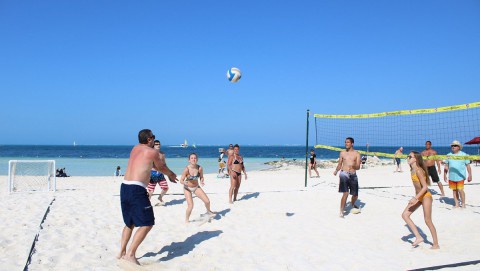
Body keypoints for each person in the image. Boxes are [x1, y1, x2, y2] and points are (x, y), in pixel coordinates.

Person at [118, 129, 177, 265]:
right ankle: (130, 254)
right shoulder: (152, 152)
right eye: (153, 137)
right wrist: (171, 174)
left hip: (124, 186)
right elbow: (161, 167)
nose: (154, 139)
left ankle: (121, 251)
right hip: (136, 189)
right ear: (149, 139)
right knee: (147, 223)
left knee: (130, 223)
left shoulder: (135, 148)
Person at [401, 151, 439, 249]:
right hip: (419, 196)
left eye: (410, 156)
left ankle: (436, 244)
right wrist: (416, 197)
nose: (408, 157)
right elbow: (417, 187)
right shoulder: (412, 170)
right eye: (407, 156)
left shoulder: (419, 170)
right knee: (405, 215)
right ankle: (418, 237)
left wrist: (415, 198)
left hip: (426, 196)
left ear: (416, 159)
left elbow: (425, 187)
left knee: (427, 220)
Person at [179, 153, 215, 223]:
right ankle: (187, 219)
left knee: (207, 201)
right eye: (192, 158)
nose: (193, 159)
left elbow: (201, 177)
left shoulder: (200, 168)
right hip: (187, 188)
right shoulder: (186, 169)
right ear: (189, 160)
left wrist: (202, 181)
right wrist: (184, 183)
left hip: (196, 187)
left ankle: (208, 211)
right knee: (191, 206)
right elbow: (181, 180)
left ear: (197, 159)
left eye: (195, 158)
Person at [333, 137, 361, 218]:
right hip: (343, 174)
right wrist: (336, 170)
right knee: (345, 193)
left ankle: (352, 203)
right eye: (345, 142)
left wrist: (354, 166)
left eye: (348, 142)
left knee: (355, 194)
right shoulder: (342, 153)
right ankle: (341, 212)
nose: (346, 144)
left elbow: (358, 167)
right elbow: (339, 164)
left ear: (352, 144)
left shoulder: (357, 154)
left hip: (353, 174)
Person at [443, 140, 472, 208]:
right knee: (454, 190)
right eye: (452, 146)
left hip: (460, 176)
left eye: (455, 145)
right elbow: (446, 166)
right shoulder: (449, 155)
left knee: (460, 189)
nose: (453, 147)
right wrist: (445, 175)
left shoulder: (464, 155)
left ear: (459, 147)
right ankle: (457, 204)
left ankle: (463, 204)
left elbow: (468, 165)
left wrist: (470, 175)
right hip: (452, 176)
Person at [147, 140, 176, 206]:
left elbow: (164, 164)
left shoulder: (162, 154)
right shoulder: (150, 154)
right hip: (153, 173)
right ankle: (147, 203)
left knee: (165, 188)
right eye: (156, 144)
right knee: (151, 191)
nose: (158, 145)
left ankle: (160, 197)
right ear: (153, 146)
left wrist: (169, 174)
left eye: (159, 144)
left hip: (160, 173)